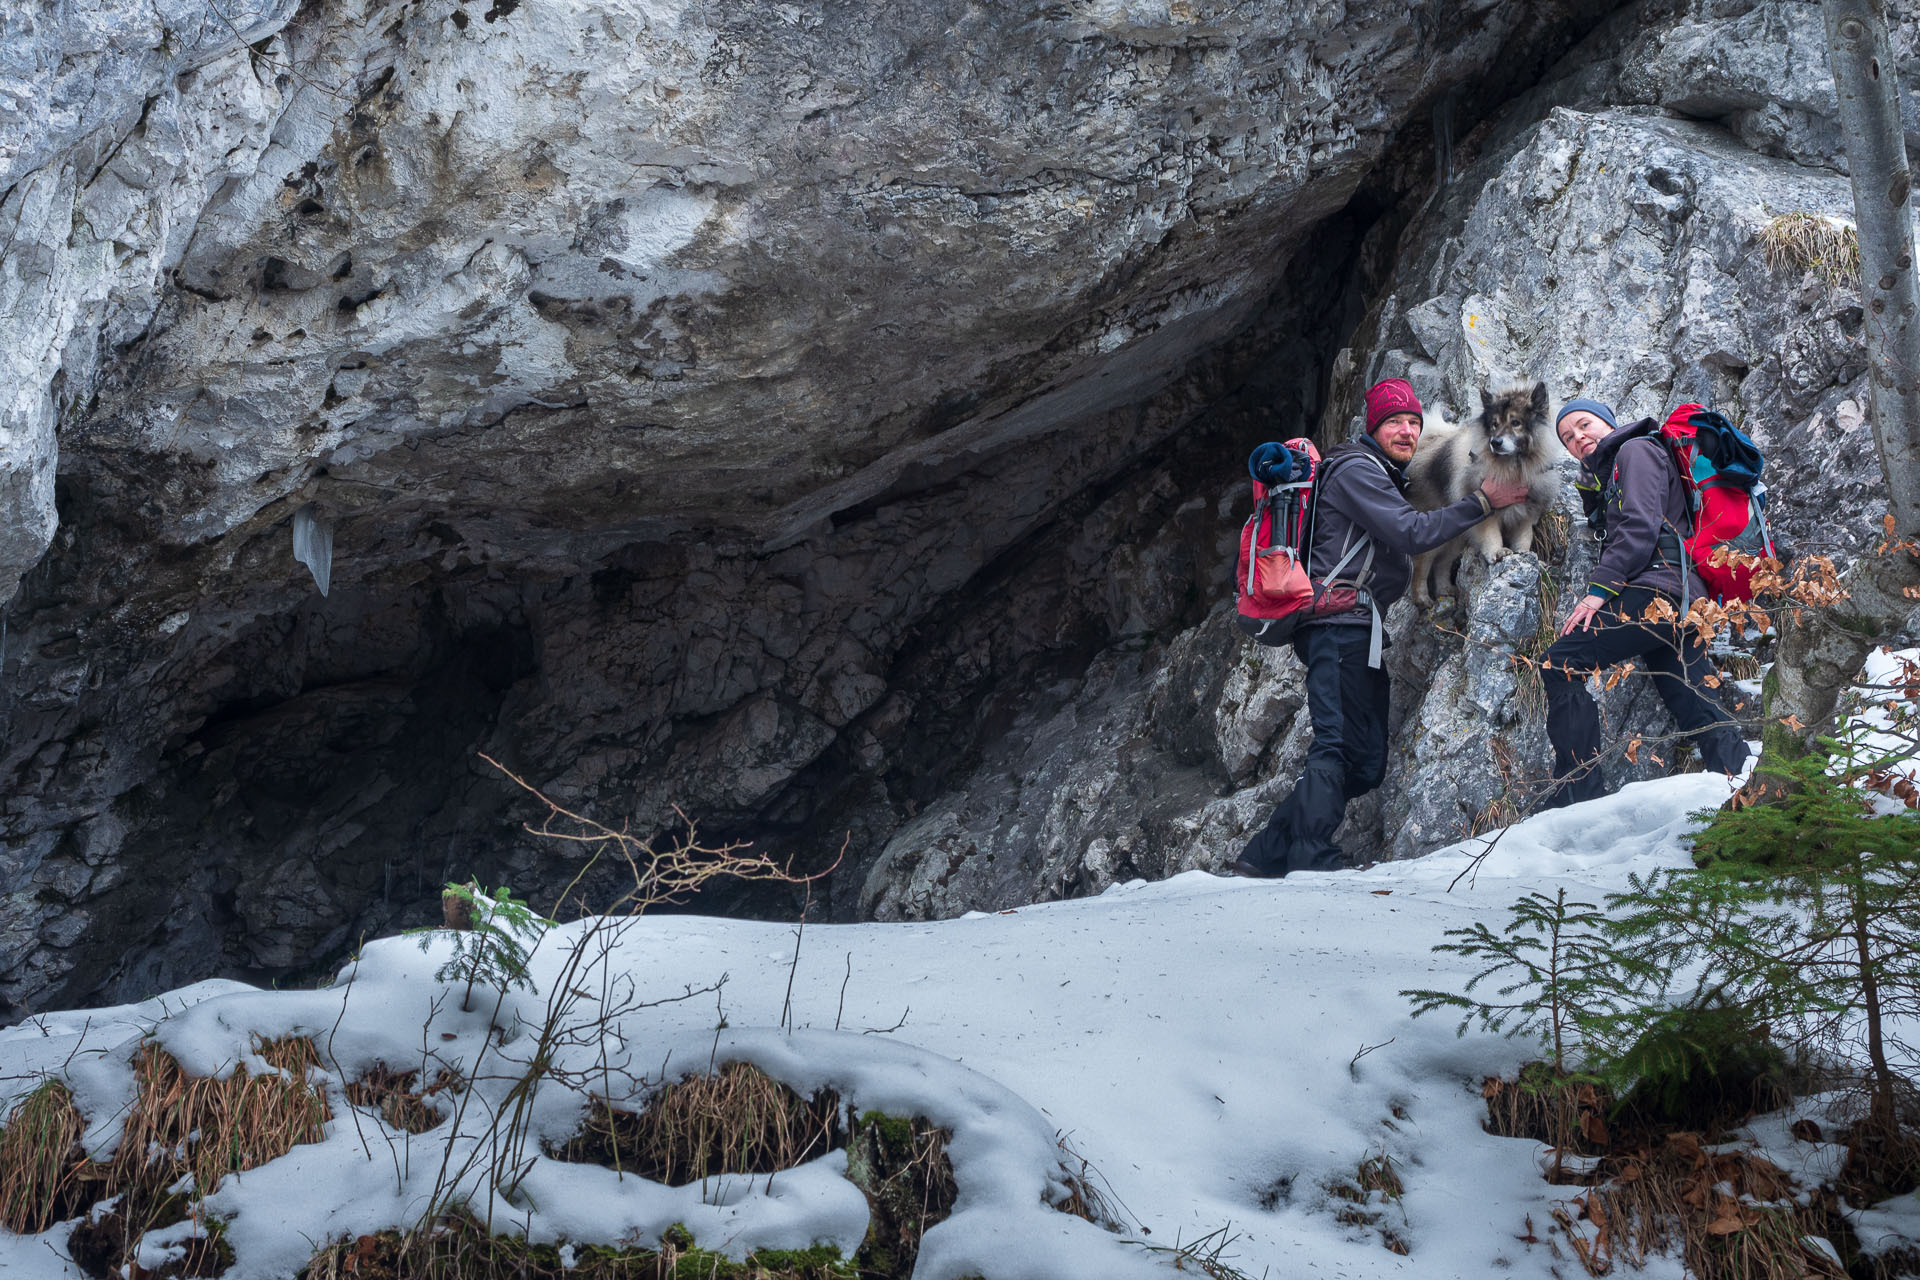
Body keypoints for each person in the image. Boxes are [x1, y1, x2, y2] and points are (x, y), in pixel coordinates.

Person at [1232, 377, 1532, 878]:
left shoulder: (1381, 475)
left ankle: (1264, 854)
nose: (1408, 430)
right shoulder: (1355, 470)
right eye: (1395, 421)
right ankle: (1309, 854)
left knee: (1366, 762)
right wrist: (1483, 501)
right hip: (1335, 627)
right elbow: (1411, 531)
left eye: (1414, 422)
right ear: (1373, 427)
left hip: (1360, 629)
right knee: (1335, 744)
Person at [1540, 399, 1749, 808]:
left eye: (1585, 425)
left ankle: (1577, 794)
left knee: (1560, 664)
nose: (1578, 437)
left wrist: (1598, 590)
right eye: (1567, 437)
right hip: (1684, 601)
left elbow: (1639, 525)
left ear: (1609, 423)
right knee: (1693, 700)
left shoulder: (1635, 450)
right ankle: (1741, 781)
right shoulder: (1619, 468)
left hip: (1657, 591)